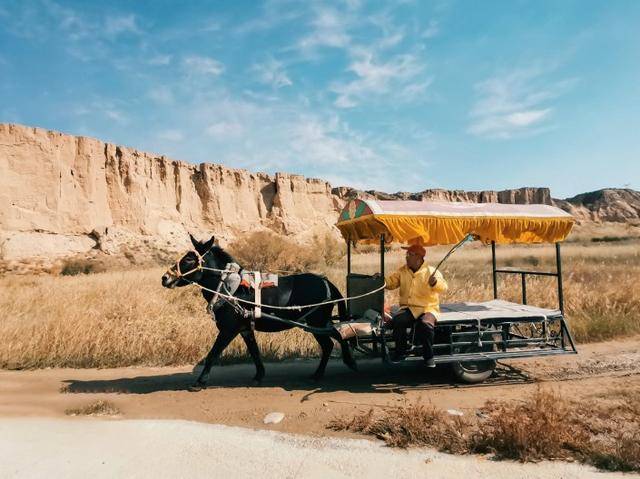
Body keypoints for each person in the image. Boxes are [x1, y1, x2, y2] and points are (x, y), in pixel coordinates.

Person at [384, 243, 448, 367]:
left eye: (409, 254)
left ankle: (429, 356)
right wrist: (381, 280)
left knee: (426, 324)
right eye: (406, 254)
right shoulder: (403, 271)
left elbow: (444, 287)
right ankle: (400, 352)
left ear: (419, 257)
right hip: (409, 308)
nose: (406, 257)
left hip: (428, 308)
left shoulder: (431, 271)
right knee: (398, 320)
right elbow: (391, 283)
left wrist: (435, 282)